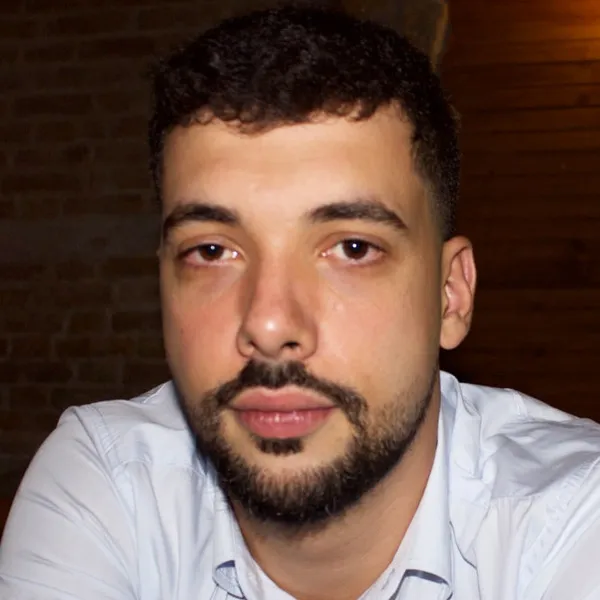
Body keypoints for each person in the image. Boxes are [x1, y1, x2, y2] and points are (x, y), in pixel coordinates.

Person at [2, 5, 600, 600]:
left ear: (449, 295)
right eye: (212, 250)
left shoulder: (572, 517)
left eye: (353, 248)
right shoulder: (110, 485)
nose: (268, 323)